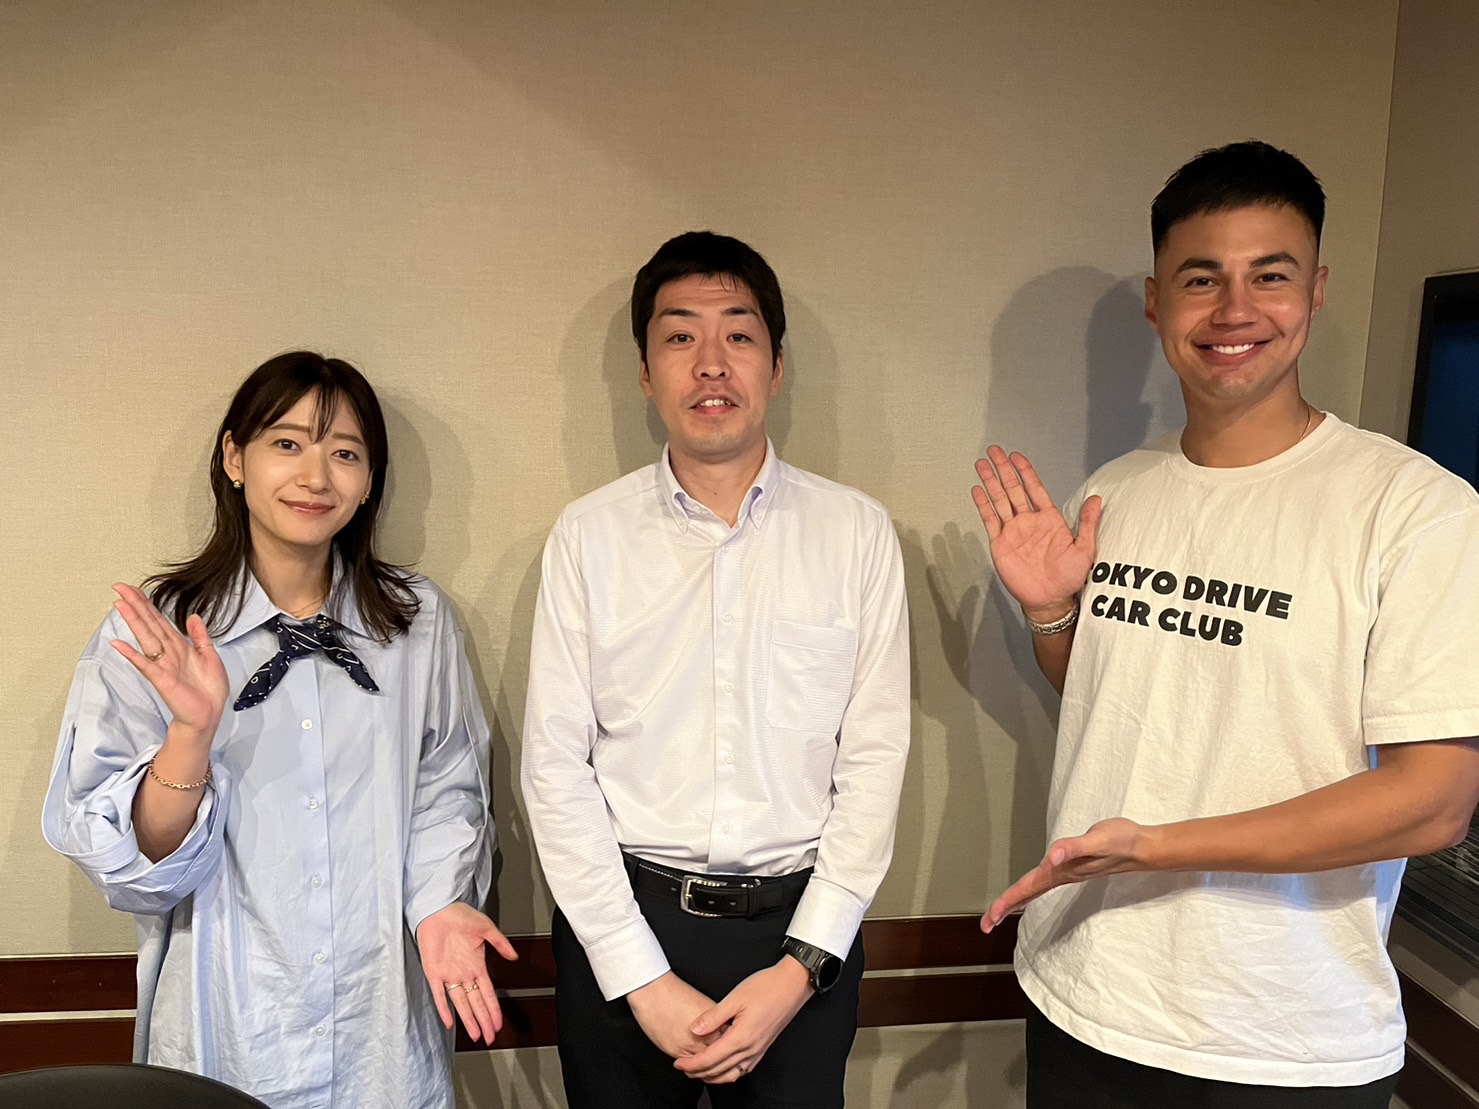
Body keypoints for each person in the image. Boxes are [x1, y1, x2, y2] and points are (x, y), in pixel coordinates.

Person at [972, 140, 1479, 1107]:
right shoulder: (1115, 491)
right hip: (1083, 990)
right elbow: (1112, 699)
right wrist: (1050, 611)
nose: (1234, 310)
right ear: (1158, 301)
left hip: (1283, 1037)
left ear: (1315, 291)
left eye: (1269, 276)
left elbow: (1433, 802)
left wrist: (1155, 844)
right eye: (1201, 278)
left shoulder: (1414, 509)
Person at [43, 352, 515, 1109]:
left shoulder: (418, 623)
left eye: (346, 453)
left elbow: (447, 791)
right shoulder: (157, 630)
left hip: (380, 1019)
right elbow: (134, 868)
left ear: (369, 481)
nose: (316, 476)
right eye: (287, 443)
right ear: (235, 458)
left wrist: (442, 904)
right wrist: (191, 732)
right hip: (228, 1016)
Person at [522, 231, 910, 1108]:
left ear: (776, 365)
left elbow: (874, 759)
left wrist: (801, 966)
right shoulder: (588, 535)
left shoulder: (855, 533)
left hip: (799, 933)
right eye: (679, 336)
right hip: (623, 920)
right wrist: (639, 975)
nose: (710, 363)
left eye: (738, 334)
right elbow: (554, 764)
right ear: (643, 371)